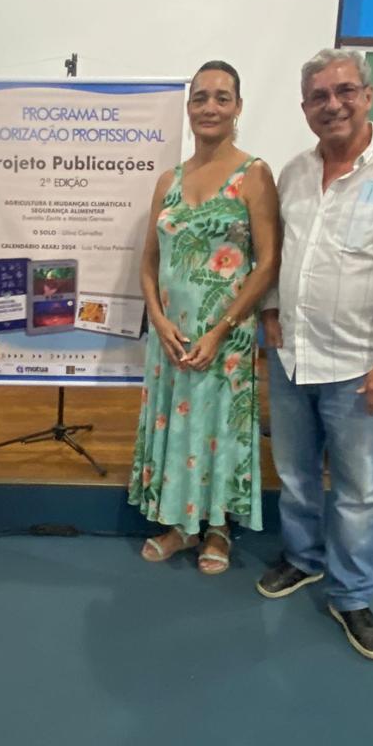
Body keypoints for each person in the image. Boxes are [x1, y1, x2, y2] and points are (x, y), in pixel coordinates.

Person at [257, 48, 373, 661]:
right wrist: (271, 310)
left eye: (343, 91)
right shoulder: (294, 173)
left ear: (367, 95)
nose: (331, 105)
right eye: (318, 96)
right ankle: (304, 557)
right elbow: (280, 254)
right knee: (296, 475)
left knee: (358, 491)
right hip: (291, 355)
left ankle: (353, 594)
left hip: (360, 366)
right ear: (304, 107)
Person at [128, 61, 280, 572]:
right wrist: (157, 319)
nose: (210, 107)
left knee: (218, 429)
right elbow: (148, 262)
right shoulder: (168, 180)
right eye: (200, 97)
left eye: (222, 97)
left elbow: (268, 262)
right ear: (189, 107)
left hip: (226, 336)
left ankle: (217, 527)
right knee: (176, 424)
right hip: (170, 336)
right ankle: (180, 524)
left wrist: (221, 329)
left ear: (238, 107)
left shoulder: (253, 174)